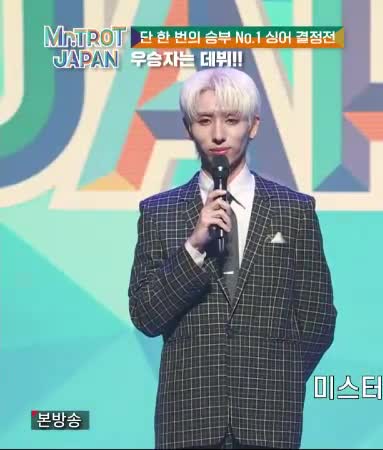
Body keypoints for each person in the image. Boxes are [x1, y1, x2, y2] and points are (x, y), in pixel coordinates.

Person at [128, 67, 336, 449]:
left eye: (232, 120)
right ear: (189, 128)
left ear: (253, 126)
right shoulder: (160, 212)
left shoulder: (294, 211)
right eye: (205, 120)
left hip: (269, 421)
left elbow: (317, 320)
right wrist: (193, 246)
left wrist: (279, 381)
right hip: (188, 421)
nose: (219, 134)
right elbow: (145, 315)